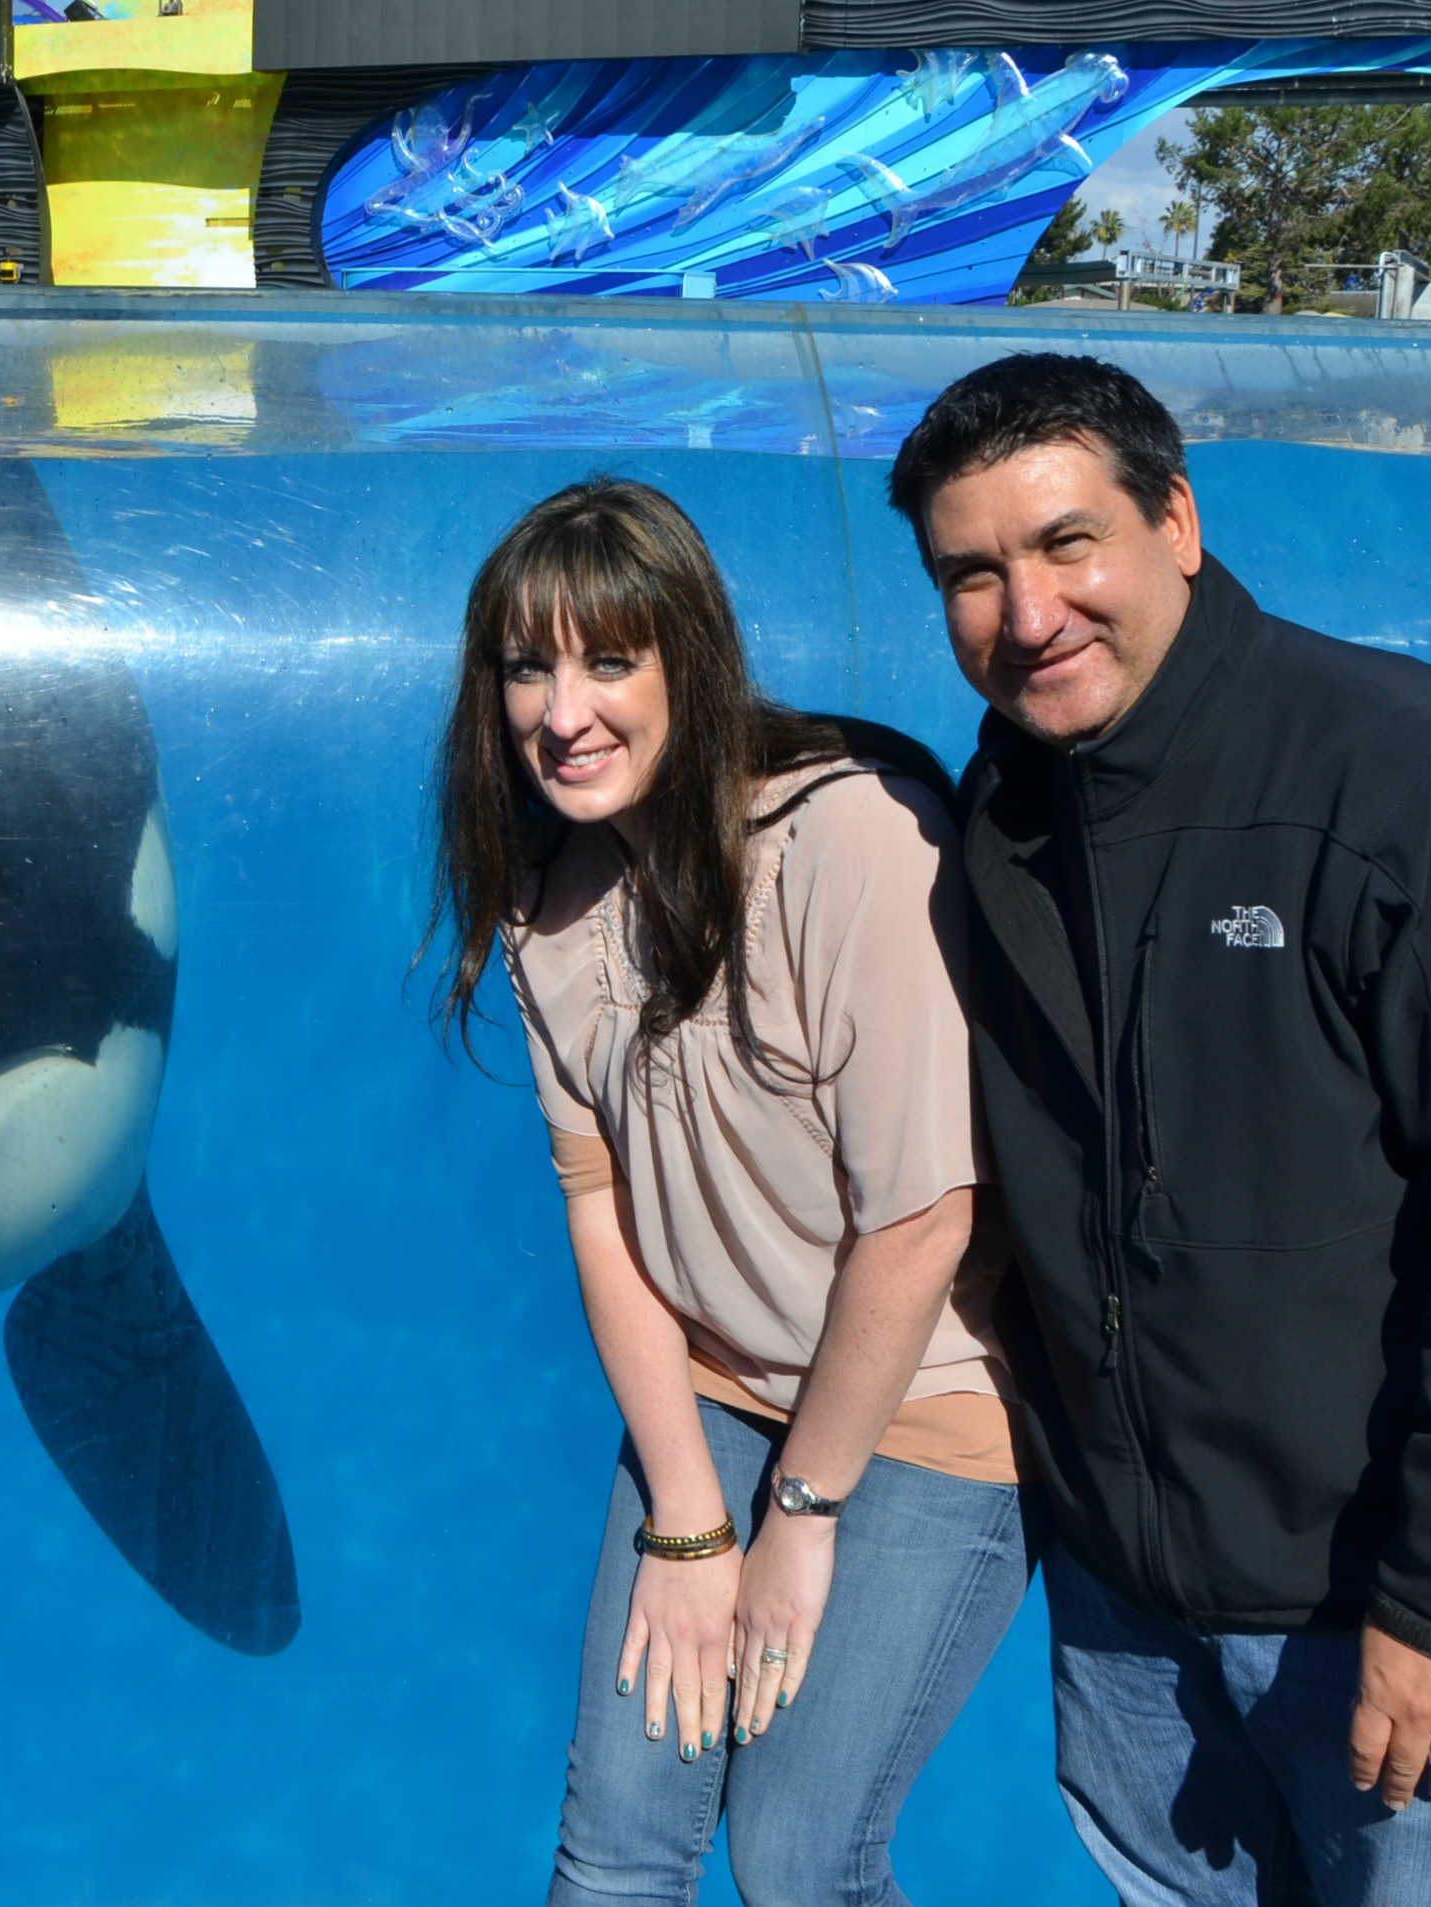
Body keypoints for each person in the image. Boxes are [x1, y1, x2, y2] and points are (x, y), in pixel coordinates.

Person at [887, 352, 1431, 1906]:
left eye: (1066, 544)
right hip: (1141, 1597)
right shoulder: (1009, 807)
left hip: (1398, 1575)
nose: (1025, 611)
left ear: (1175, 517)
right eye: (969, 573)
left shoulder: (1420, 781)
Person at [429, 478, 1032, 1906]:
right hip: (712, 1402)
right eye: (527, 667)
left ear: (688, 657)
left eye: (608, 658)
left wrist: (801, 1514)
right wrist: (693, 1520)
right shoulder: (545, 902)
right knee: (615, 1848)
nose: (561, 711)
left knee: (797, 1851)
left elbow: (921, 1215)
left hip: (924, 1410)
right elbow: (605, 1212)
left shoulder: (853, 837)